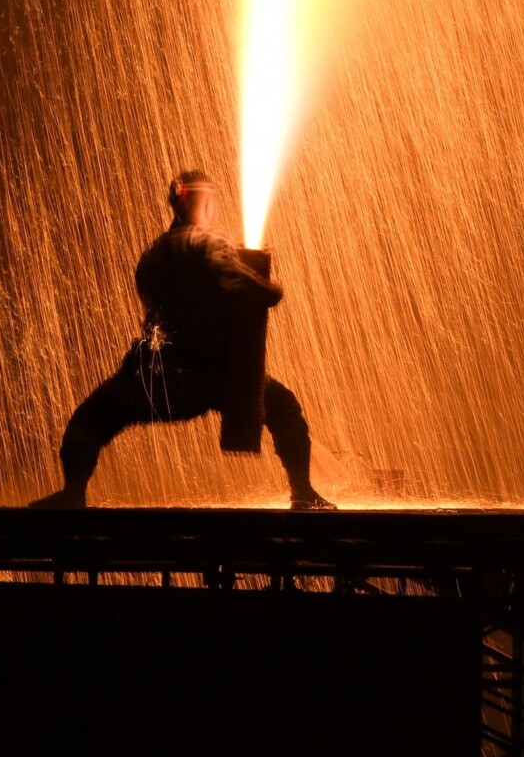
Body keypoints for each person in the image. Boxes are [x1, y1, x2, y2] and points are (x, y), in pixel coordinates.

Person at [32, 169, 329, 511]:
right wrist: (269, 287)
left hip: (153, 375)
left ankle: (73, 492)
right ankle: (303, 493)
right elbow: (248, 288)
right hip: (212, 377)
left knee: (90, 419)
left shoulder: (152, 255)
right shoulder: (207, 244)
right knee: (283, 407)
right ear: (204, 204)